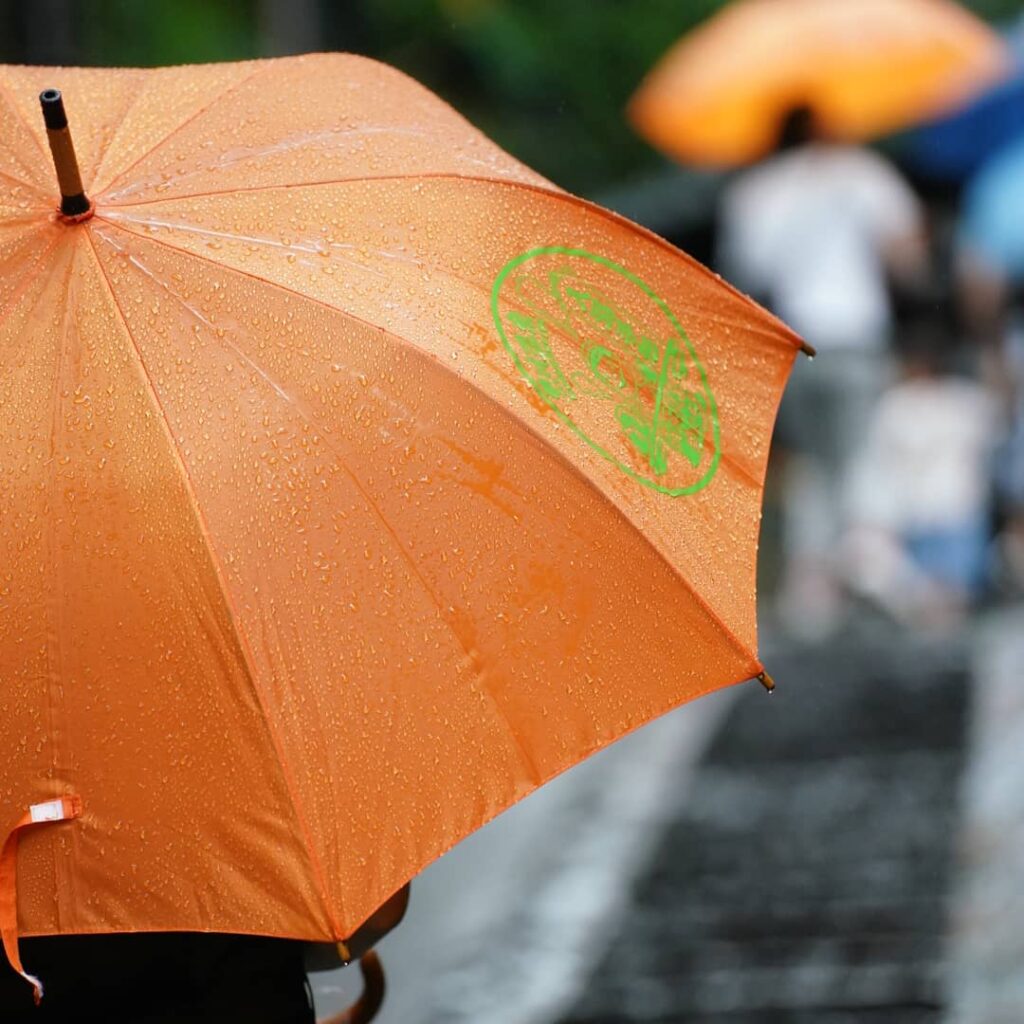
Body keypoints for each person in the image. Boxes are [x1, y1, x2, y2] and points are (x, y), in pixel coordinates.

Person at [716, 106, 929, 637]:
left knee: (812, 459)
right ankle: (868, 564)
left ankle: (812, 591)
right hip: (855, 337)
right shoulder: (862, 174)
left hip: (794, 345)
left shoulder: (755, 192)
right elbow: (908, 260)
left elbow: (746, 276)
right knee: (858, 449)